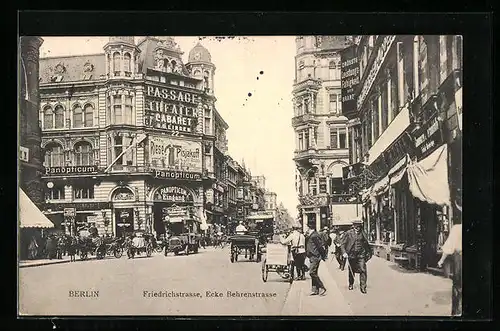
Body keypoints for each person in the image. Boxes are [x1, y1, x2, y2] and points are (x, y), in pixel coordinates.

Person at [340, 219, 372, 294]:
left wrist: (368, 253)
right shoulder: (348, 233)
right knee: (352, 271)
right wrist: (344, 252)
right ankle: (351, 283)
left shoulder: (363, 233)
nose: (358, 227)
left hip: (361, 254)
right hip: (351, 254)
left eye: (359, 225)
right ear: (353, 225)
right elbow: (342, 244)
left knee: (363, 269)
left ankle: (363, 287)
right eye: (357, 225)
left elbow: (366, 243)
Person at [437, 222, 462, 316]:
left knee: (458, 286)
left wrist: (441, 260)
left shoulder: (457, 228)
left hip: (459, 257)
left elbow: (449, 247)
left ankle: (457, 312)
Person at [305, 224, 328, 296]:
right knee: (314, 273)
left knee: (312, 272)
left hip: (315, 256)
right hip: (312, 256)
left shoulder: (314, 235)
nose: (306, 229)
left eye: (307, 228)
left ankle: (322, 287)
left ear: (309, 228)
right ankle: (315, 290)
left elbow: (320, 247)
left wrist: (323, 256)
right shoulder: (312, 235)